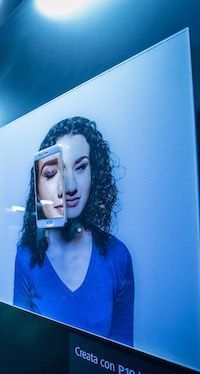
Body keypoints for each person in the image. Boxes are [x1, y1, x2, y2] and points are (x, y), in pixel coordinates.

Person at [14, 116, 135, 346]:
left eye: (80, 168)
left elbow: (123, 352)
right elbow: (19, 343)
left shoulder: (118, 256)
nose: (69, 187)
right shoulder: (27, 256)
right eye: (52, 174)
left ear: (94, 173)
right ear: (39, 184)